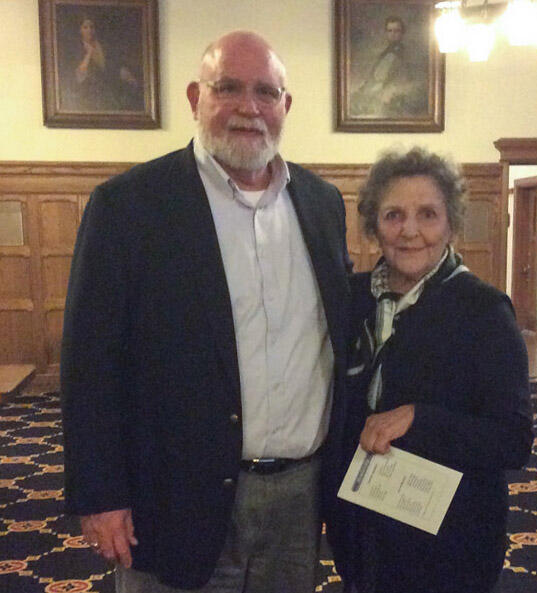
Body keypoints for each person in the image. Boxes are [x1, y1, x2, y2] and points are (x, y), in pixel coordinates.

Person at [60, 30, 351, 593]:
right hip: (171, 495)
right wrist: (101, 495)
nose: (249, 107)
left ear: (286, 106)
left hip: (299, 496)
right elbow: (90, 363)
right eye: (229, 88)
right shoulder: (129, 206)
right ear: (195, 99)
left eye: (267, 92)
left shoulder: (321, 203)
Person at [324, 147, 533, 593]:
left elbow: (513, 441)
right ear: (373, 226)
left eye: (428, 215)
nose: (410, 231)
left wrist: (420, 418)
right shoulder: (350, 299)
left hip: (450, 542)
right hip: (362, 532)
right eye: (394, 215)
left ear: (451, 224)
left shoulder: (484, 312)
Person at [351, 16, 425, 117]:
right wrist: (364, 88)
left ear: (402, 33)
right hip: (375, 89)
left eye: (396, 31)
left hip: (391, 95)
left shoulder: (406, 55)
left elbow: (407, 81)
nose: (393, 34)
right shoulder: (384, 54)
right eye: (390, 31)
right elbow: (375, 76)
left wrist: (389, 91)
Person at [67, 16, 141, 111]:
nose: (89, 30)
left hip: (109, 85)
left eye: (91, 27)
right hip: (89, 91)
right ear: (80, 30)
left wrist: (125, 73)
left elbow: (113, 64)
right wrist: (89, 53)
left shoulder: (103, 45)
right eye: (85, 27)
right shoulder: (77, 48)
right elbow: (80, 75)